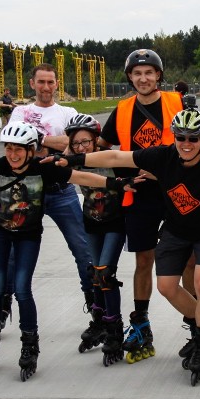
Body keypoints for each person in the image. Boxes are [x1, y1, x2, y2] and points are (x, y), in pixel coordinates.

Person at [56, 109, 200, 385]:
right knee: (166, 287)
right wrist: (72, 159)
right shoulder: (163, 155)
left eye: (193, 138)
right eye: (181, 137)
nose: (186, 143)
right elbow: (115, 156)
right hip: (175, 231)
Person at [0, 122, 138, 380]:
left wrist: (115, 184)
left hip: (28, 236)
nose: (13, 155)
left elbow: (79, 177)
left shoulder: (42, 169)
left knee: (23, 288)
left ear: (31, 150)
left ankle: (30, 345)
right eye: (9, 148)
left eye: (19, 149)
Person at [98, 49, 200, 361]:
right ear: (130, 77)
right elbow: (101, 147)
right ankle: (141, 325)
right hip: (141, 196)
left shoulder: (177, 103)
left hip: (177, 191)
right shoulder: (122, 109)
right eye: (137, 73)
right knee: (144, 261)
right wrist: (120, 177)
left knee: (189, 263)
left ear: (158, 75)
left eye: (149, 72)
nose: (143, 78)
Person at [8, 63, 95, 336]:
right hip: (27, 190)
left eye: (51, 82)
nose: (46, 87)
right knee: (12, 255)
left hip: (61, 189)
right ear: (32, 84)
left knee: (84, 250)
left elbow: (80, 140)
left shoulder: (67, 112)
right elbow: (17, 146)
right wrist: (58, 142)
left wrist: (39, 137)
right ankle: (1, 306)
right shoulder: (20, 111)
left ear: (57, 84)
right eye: (41, 82)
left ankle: (96, 306)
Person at [65, 114, 129, 365]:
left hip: (115, 224)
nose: (81, 147)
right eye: (76, 143)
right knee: (93, 272)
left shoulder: (111, 158)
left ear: (96, 140)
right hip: (91, 224)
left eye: (86, 142)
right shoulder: (73, 162)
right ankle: (99, 320)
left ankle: (114, 329)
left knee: (105, 273)